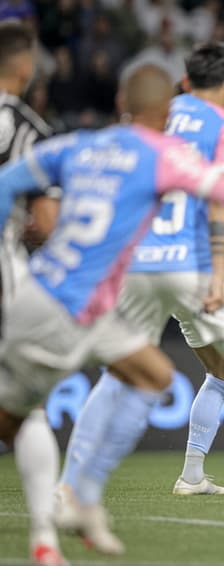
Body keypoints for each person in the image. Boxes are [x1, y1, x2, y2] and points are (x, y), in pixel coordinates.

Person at [0, 64, 224, 559]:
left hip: (61, 295)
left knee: (152, 374)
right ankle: (64, 511)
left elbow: (7, 182)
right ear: (167, 111)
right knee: (15, 418)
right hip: (67, 306)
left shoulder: (77, 144)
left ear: (122, 99)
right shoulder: (163, 154)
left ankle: (78, 500)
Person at [56, 44, 224, 529]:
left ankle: (86, 485)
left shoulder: (154, 116)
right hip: (201, 264)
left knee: (192, 373)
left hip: (137, 262)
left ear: (182, 83)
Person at [0, 20, 64, 566]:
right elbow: (45, 221)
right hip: (6, 273)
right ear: (24, 67)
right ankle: (44, 536)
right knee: (30, 404)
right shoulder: (30, 128)